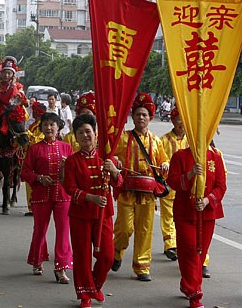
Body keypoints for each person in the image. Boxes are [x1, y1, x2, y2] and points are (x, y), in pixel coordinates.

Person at [63, 114, 123, 308]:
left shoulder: (106, 158)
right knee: (82, 256)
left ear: (96, 134)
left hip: (103, 214)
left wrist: (114, 170)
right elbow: (69, 188)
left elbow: (120, 183)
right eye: (80, 133)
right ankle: (85, 295)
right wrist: (91, 197)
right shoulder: (72, 161)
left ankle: (95, 285)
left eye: (88, 131)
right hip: (80, 215)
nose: (85, 136)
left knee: (107, 255)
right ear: (76, 137)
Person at [111, 92, 169, 282]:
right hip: (127, 192)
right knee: (124, 228)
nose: (141, 118)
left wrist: (165, 165)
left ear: (150, 118)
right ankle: (116, 252)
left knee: (145, 230)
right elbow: (112, 157)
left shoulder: (156, 141)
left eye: (144, 115)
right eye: (138, 114)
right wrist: (116, 161)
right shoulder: (123, 138)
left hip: (147, 193)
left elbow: (163, 161)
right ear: (132, 117)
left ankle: (142, 266)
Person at [167, 142, 227, 308]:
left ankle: (188, 284)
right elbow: (172, 181)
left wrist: (207, 200)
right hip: (185, 213)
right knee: (189, 251)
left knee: (200, 254)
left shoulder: (216, 156)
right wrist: (190, 173)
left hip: (207, 214)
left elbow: (221, 186)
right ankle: (195, 293)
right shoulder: (180, 156)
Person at [21, 112, 73, 283]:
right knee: (40, 230)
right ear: (41, 127)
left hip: (63, 195)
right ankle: (37, 261)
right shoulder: (34, 148)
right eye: (45, 124)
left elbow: (74, 172)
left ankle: (61, 268)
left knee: (63, 232)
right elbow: (25, 172)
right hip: (41, 195)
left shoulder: (67, 147)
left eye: (52, 124)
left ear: (58, 127)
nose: (49, 127)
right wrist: (39, 178)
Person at [159, 107, 188, 262]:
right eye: (178, 120)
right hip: (169, 186)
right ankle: (170, 245)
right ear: (172, 121)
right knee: (168, 216)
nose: (181, 124)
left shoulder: (190, 141)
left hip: (186, 188)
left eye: (184, 120)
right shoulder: (163, 140)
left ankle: (181, 245)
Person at [24, 101, 47, 216]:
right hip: (31, 158)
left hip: (41, 157)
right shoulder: (33, 125)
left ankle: (40, 205)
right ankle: (31, 207)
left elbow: (40, 140)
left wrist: (28, 135)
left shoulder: (44, 126)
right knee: (30, 183)